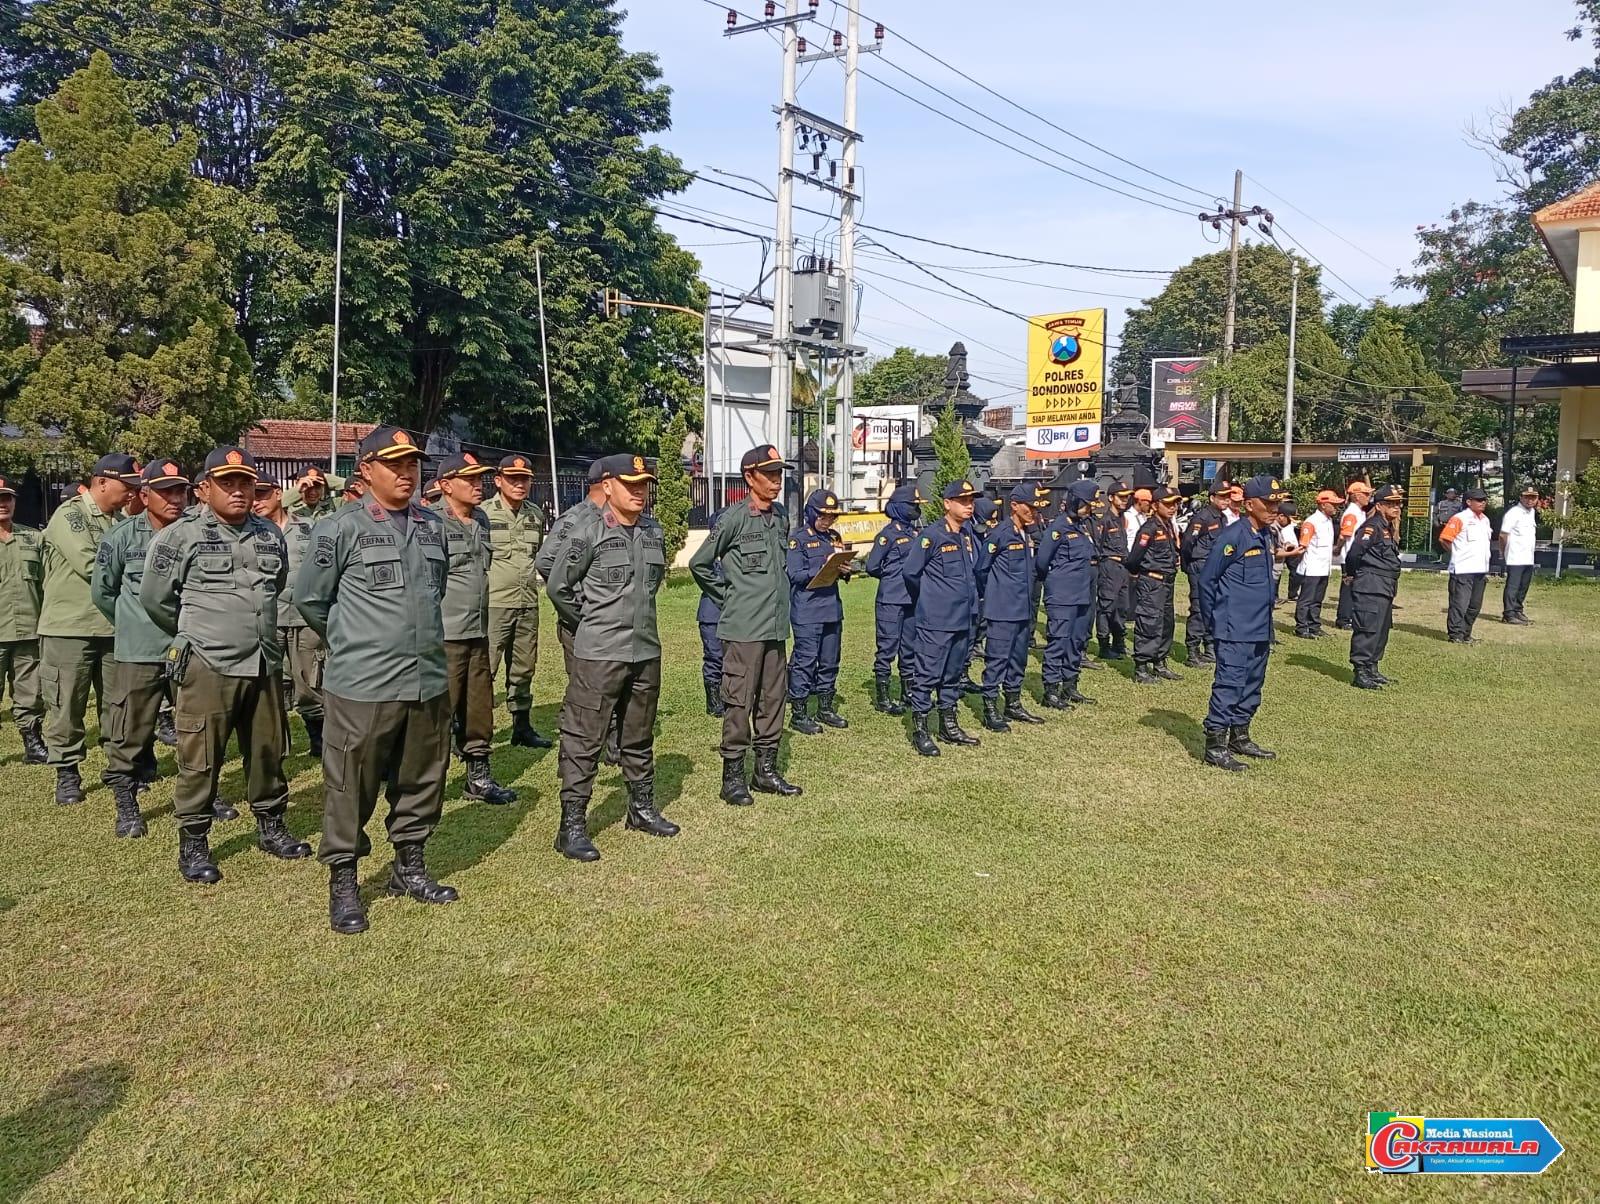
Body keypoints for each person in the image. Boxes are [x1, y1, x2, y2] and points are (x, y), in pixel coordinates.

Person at [295, 425, 456, 934]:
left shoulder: (433, 527)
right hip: (363, 684)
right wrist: (356, 643)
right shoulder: (339, 528)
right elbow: (311, 601)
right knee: (351, 784)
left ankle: (409, 866)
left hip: (426, 680)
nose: (407, 473)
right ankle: (344, 881)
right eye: (395, 465)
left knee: (421, 779)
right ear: (365, 471)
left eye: (413, 465)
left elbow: (438, 589)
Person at [142, 447, 311, 883]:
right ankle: (194, 841)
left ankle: (271, 825)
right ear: (204, 489)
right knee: (201, 757)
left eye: (245, 482)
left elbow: (274, 585)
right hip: (208, 664)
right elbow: (156, 600)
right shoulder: (180, 536)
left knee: (268, 751)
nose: (238, 491)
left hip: (263, 662)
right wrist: (195, 633)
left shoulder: (269, 535)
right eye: (227, 483)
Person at [544, 454, 677, 859]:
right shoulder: (587, 530)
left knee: (638, 735)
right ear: (607, 487)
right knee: (584, 739)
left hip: (644, 650)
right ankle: (572, 826)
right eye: (630, 485)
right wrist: (590, 624)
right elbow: (558, 587)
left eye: (643, 485)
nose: (640, 492)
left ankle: (640, 807)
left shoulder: (653, 531)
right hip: (599, 654)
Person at [689, 445, 801, 805]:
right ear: (749, 477)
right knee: (739, 701)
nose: (776, 481)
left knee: (773, 699)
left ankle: (764, 771)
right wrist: (728, 597)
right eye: (769, 474)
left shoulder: (781, 516)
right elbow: (700, 563)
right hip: (742, 629)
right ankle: (732, 778)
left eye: (778, 474)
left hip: (774, 626)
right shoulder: (734, 518)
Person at [92, 460, 194, 838]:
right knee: (130, 730)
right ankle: (126, 799)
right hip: (139, 649)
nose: (175, 498)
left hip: (188, 646)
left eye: (180, 490)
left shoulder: (195, 533)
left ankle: (200, 796)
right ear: (145, 494)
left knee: (195, 728)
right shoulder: (121, 538)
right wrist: (132, 624)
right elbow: (103, 593)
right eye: (165, 491)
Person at [39, 453, 137, 805]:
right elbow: (92, 564)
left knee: (117, 703)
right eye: (128, 486)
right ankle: (67, 771)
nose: (132, 493)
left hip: (113, 627)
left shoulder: (121, 519)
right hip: (70, 628)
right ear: (102, 482)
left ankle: (119, 769)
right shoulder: (71, 515)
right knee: (67, 704)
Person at [432, 452, 518, 806]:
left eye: (479, 478)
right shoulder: (430, 523)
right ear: (445, 485)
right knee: (439, 712)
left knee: (479, 707)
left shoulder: (481, 519)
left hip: (477, 630)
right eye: (468, 479)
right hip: (444, 634)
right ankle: (428, 784)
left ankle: (478, 777)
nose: (477, 485)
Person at [1198, 475, 1288, 772]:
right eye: (1268, 502)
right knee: (1230, 684)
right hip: (1234, 626)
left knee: (1252, 684)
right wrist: (1215, 620)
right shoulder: (1233, 536)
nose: (1275, 507)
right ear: (1249, 504)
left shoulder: (1264, 533)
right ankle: (1216, 745)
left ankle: (1240, 735)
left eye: (1277, 502)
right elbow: (1208, 580)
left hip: (1260, 625)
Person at [900, 479, 983, 756]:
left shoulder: (968, 535)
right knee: (926, 675)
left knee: (953, 675)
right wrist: (931, 598)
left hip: (964, 618)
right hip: (937, 620)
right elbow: (911, 573)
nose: (969, 506)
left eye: (971, 501)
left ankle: (949, 725)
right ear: (947, 504)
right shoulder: (932, 536)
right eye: (963, 501)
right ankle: (921, 729)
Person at [251, 476, 325, 757]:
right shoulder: (252, 531)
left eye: (263, 494)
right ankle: (276, 745)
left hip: (304, 618)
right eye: (254, 495)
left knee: (310, 681)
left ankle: (318, 740)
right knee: (269, 683)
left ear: (279, 494)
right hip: (269, 618)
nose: (257, 501)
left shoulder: (308, 527)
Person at [483, 454, 551, 749]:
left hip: (527, 602)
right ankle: (473, 730)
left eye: (524, 479)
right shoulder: (482, 514)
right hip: (494, 604)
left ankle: (521, 726)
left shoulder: (535, 514)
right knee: (486, 669)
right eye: (513, 479)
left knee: (524, 667)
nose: (520, 484)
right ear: (498, 481)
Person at [978, 482, 1045, 732]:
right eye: (1029, 507)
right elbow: (982, 569)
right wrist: (997, 594)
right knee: (997, 659)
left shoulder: (1026, 532)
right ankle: (990, 707)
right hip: (1003, 609)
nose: (1034, 512)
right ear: (1014, 505)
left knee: (1018, 659)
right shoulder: (1000, 534)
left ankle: (1013, 703)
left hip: (1022, 609)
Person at [786, 489, 852, 734]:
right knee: (805, 661)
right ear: (812, 513)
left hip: (831, 609)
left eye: (832, 517)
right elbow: (794, 574)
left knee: (830, 660)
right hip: (807, 610)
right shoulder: (799, 539)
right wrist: (821, 569)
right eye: (823, 516)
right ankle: (799, 711)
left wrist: (844, 570)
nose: (828, 521)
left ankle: (825, 707)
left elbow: (839, 570)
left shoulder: (834, 537)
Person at [1036, 479, 1102, 711]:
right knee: (1059, 641)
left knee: (1076, 642)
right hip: (1062, 596)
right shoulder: (1058, 528)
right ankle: (1051, 690)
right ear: (1075, 502)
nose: (1090, 508)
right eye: (1086, 504)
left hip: (1082, 594)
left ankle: (1070, 685)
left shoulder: (1082, 527)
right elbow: (1042, 562)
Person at [0, 474, 48, 765]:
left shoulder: (33, 538)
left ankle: (32, 741)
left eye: (7, 498)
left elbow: (47, 583)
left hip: (28, 629)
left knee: (31, 693)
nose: (2, 504)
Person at [864, 482, 922, 714]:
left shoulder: (916, 533)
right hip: (891, 599)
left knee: (909, 648)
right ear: (899, 507)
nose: (916, 510)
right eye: (912, 505)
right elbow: (872, 566)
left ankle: (907, 692)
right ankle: (883, 697)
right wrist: (892, 578)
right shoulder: (887, 536)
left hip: (912, 599)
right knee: (887, 648)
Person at [1344, 482, 1405, 690]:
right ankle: (1361, 671)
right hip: (1370, 584)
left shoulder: (1386, 527)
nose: (1396, 507)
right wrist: (1351, 574)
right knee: (1368, 628)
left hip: (1384, 586)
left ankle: (1372, 667)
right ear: (1379, 506)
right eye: (1391, 504)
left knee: (1381, 629)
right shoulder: (1372, 526)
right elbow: (1354, 553)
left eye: (1398, 503)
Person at [1125, 481, 1183, 684]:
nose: (1173, 507)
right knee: (1149, 622)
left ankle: (1160, 662)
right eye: (1168, 504)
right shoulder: (1149, 529)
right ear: (1156, 505)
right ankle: (1142, 667)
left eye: (1176, 503)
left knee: (1166, 623)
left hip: (1167, 582)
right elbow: (1133, 559)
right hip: (1152, 582)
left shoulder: (1167, 526)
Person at [1179, 481, 1230, 667]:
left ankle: (1210, 647)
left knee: (1214, 608)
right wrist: (1188, 566)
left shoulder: (1222, 518)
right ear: (1212, 498)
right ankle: (1192, 652)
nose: (1226, 500)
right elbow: (1187, 544)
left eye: (1228, 497)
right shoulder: (1202, 518)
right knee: (1199, 609)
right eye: (1222, 496)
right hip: (1200, 567)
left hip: (1215, 568)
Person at [1440, 486, 1492, 643]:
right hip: (1463, 568)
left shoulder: (1485, 520)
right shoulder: (1459, 518)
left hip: (1480, 569)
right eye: (1479, 500)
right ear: (1469, 502)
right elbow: (1444, 539)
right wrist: (1456, 554)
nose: (1483, 502)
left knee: (1474, 605)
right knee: (1459, 604)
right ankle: (1455, 634)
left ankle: (1466, 633)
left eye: (1484, 500)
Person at [1094, 480, 1134, 660]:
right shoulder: (1105, 520)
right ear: (1111, 498)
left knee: (1122, 606)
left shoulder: (1121, 519)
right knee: (1106, 606)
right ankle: (1104, 644)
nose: (1125, 500)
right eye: (1121, 497)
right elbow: (1098, 547)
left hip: (1122, 567)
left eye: (1127, 497)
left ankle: (1119, 642)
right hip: (1109, 565)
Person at [1293, 490, 1341, 638]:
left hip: (1323, 568)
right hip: (1312, 567)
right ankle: (1301, 627)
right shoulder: (1311, 522)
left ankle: (1314, 625)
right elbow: (1303, 546)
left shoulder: (1328, 521)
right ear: (1323, 505)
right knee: (1306, 599)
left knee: (1318, 599)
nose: (1336, 508)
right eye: (1333, 505)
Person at [1333, 480, 1372, 630]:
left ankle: (1351, 617)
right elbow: (1344, 535)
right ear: (1356, 496)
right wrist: (1338, 549)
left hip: (1357, 556)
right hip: (1351, 557)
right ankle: (1343, 618)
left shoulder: (1359, 512)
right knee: (1348, 589)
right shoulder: (1351, 514)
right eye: (1365, 494)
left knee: (1356, 588)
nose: (1368, 497)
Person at [1500, 485, 1541, 625]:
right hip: (1515, 556)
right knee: (1513, 586)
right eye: (1527, 497)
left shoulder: (1532, 513)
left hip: (1528, 557)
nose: (1530, 500)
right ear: (1521, 497)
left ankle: (1518, 609)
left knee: (1523, 586)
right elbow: (1503, 534)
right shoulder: (1514, 513)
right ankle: (1508, 613)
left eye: (1533, 497)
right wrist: (1503, 552)